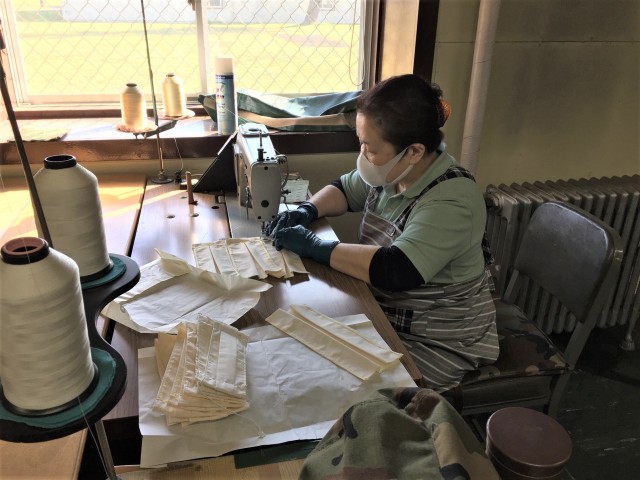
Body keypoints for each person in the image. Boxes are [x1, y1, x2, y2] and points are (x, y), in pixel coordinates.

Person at [264, 74, 498, 392]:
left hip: (439, 338)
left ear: (414, 151)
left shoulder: (451, 199)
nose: (364, 157)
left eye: (371, 150)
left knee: (343, 388)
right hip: (387, 310)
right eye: (362, 145)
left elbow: (397, 268)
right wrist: (307, 211)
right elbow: (345, 189)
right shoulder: (394, 172)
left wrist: (314, 246)